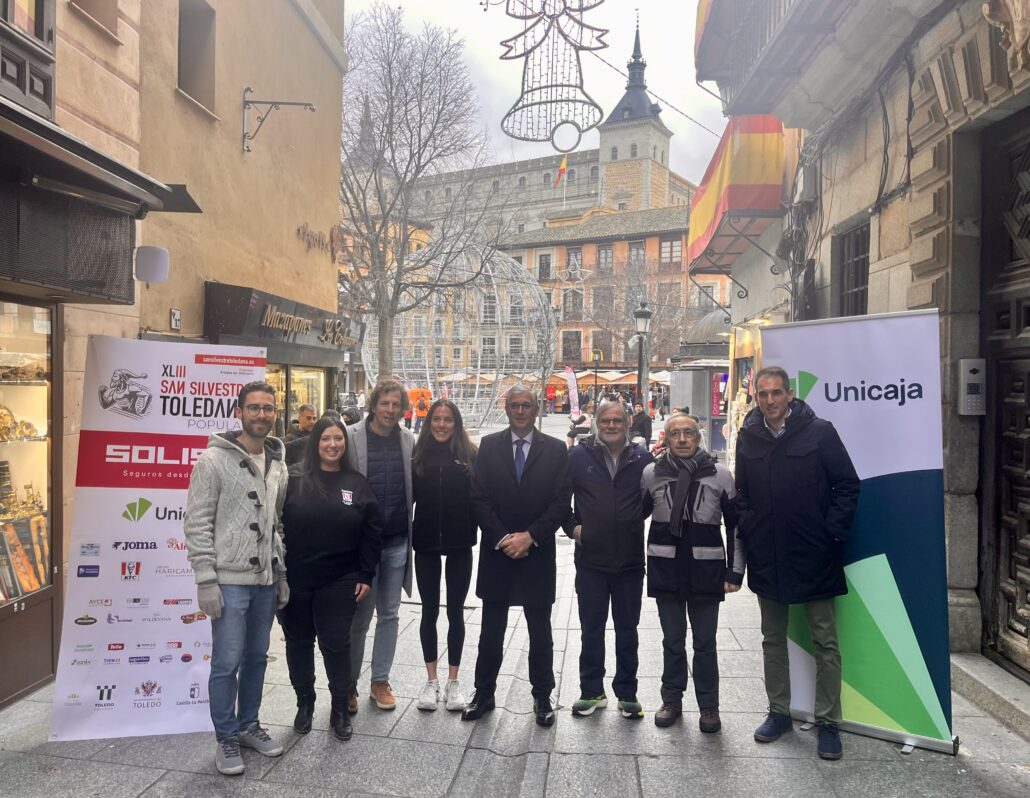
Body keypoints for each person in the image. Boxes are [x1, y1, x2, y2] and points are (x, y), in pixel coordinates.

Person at [735, 365, 859, 761]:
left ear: (789, 394)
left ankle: (829, 722)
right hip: (768, 554)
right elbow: (742, 493)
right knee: (772, 638)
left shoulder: (820, 432)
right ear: (756, 397)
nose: (770, 400)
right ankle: (779, 713)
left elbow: (847, 484)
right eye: (763, 394)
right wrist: (750, 528)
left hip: (814, 553)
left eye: (776, 393)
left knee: (825, 641)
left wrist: (831, 533)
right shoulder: (748, 436)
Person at [184, 381, 290, 776]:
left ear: (275, 413)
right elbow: (197, 523)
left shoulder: (278, 464)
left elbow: (275, 524)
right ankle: (226, 737)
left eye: (268, 408)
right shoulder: (211, 461)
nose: (262, 414)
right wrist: (205, 580)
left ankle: (248, 725)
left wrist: (280, 573)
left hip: (265, 581)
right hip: (229, 581)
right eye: (254, 407)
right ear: (239, 412)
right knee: (227, 661)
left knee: (257, 658)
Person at [463, 385, 571, 726]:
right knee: (490, 632)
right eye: (515, 405)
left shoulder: (556, 449)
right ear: (506, 408)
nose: (521, 411)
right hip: (498, 552)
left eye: (526, 405)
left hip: (536, 553)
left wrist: (531, 536)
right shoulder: (489, 446)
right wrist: (502, 538)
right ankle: (483, 693)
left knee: (540, 632)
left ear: (536, 409)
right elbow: (478, 497)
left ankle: (542, 695)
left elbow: (561, 501)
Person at [278, 417, 382, 741]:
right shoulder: (293, 479)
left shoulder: (357, 483)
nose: (332, 444)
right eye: (326, 438)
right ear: (315, 443)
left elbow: (372, 532)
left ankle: (339, 708)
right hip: (295, 579)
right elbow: (275, 524)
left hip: (340, 579)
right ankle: (305, 703)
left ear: (345, 444)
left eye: (338, 438)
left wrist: (366, 573)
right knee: (298, 643)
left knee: (337, 644)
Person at [642, 413, 743, 732]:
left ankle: (709, 706)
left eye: (688, 433)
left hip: (706, 570)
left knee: (705, 642)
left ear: (699, 438)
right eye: (675, 434)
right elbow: (632, 516)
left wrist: (735, 571)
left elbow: (735, 526)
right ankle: (671, 700)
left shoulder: (720, 475)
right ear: (666, 439)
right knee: (672, 641)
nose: (683, 439)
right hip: (666, 567)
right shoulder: (652, 473)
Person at [565, 400, 653, 719]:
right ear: (596, 423)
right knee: (591, 628)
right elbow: (560, 498)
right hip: (591, 559)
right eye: (606, 421)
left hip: (629, 561)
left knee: (628, 629)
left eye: (617, 421)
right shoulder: (578, 457)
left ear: (627, 424)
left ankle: (627, 693)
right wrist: (573, 528)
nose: (611, 426)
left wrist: (629, 521)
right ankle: (591, 691)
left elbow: (650, 501)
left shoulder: (643, 458)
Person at [345, 379, 416, 712]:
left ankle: (380, 681)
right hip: (362, 547)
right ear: (373, 405)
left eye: (396, 404)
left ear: (403, 409)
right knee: (359, 618)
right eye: (385, 403)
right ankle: (348, 685)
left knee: (389, 614)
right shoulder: (351, 437)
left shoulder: (408, 440)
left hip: (397, 542)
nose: (390, 410)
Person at [411, 399, 478, 712]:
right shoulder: (417, 455)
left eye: (447, 419)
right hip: (425, 542)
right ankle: (431, 680)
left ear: (456, 423)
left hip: (460, 542)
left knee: (455, 612)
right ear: (429, 423)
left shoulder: (470, 455)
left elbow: (481, 497)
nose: (441, 425)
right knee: (428, 611)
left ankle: (453, 680)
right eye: (436, 419)